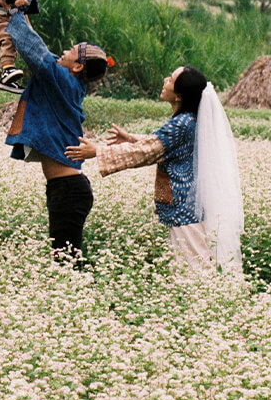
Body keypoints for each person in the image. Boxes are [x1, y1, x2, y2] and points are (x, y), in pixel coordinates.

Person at [65, 66, 244, 275]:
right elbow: (162, 143)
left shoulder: (181, 124)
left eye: (171, 79)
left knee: (194, 271)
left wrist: (98, 151)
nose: (165, 80)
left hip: (184, 208)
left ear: (178, 96)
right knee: (192, 266)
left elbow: (148, 151)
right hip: (188, 206)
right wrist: (131, 138)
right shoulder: (187, 120)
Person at [2, 4, 109, 263]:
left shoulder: (62, 79)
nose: (62, 52)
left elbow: (35, 50)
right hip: (65, 188)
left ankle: (86, 298)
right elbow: (41, 51)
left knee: (65, 259)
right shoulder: (68, 82)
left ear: (78, 66)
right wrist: (23, 14)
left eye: (70, 51)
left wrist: (12, 10)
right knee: (65, 255)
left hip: (69, 190)